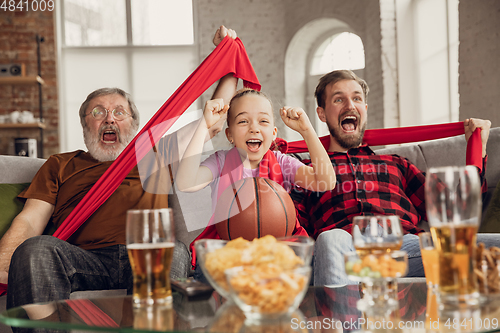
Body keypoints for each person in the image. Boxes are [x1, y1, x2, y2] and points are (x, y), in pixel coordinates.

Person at [0, 25, 238, 310]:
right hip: (81, 257)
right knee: (35, 248)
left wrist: (227, 56)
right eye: (98, 112)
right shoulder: (60, 164)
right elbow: (29, 221)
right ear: (85, 124)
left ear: (135, 125)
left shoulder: (157, 151)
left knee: (170, 250)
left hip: (147, 250)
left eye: (119, 112)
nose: (109, 119)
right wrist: (5, 263)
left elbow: (214, 116)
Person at [290, 69, 496, 286]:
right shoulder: (308, 171)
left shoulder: (397, 165)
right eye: (339, 99)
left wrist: (478, 148)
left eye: (357, 98)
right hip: (345, 249)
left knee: (493, 248)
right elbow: (292, 229)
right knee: (330, 239)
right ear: (321, 114)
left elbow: (454, 214)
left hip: (405, 249)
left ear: (365, 109)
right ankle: (342, 320)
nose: (350, 106)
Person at [175, 88, 337, 279]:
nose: (254, 128)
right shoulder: (220, 161)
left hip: (277, 250)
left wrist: (307, 130)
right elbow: (185, 183)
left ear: (274, 133)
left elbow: (326, 181)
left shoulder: (282, 162)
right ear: (229, 135)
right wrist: (203, 126)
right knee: (207, 265)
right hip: (227, 251)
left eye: (263, 121)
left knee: (303, 261)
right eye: (243, 121)